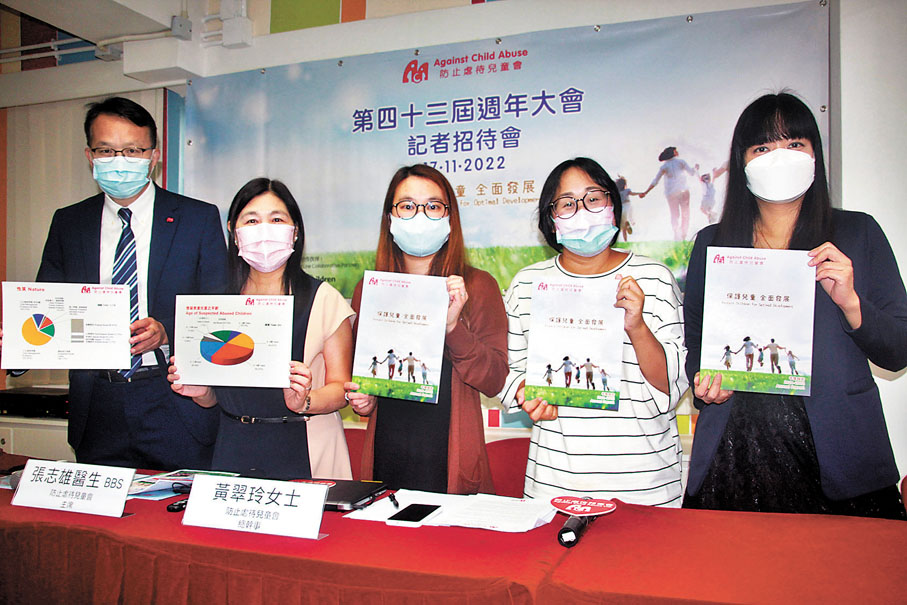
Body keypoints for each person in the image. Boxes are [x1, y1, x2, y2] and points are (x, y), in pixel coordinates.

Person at [683, 92, 907, 519]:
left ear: (814, 155)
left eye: (794, 144)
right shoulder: (712, 243)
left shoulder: (857, 232)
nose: (779, 157)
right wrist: (706, 382)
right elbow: (696, 338)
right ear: (742, 161)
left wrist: (852, 303)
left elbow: (899, 350)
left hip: (839, 454)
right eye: (763, 148)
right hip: (734, 454)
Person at [11, 97, 228, 470]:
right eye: (106, 150)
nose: (119, 160)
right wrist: (19, 344)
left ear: (153, 156)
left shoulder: (197, 219)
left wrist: (166, 331)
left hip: (174, 397)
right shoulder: (69, 223)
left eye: (132, 150)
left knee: (176, 507)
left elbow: (221, 309)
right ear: (90, 155)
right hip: (98, 402)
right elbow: (47, 309)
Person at [499, 157, 688, 507]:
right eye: (567, 203)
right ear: (551, 219)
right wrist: (527, 396)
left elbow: (671, 386)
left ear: (612, 207)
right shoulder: (528, 284)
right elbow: (507, 373)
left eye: (593, 198)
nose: (582, 210)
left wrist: (637, 327)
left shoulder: (654, 278)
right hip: (554, 486)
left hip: (646, 488)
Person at [168, 178, 354, 480]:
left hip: (305, 444)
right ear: (234, 232)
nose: (264, 230)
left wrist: (304, 400)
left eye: (276, 219)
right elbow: (217, 395)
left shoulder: (323, 298)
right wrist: (201, 392)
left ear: (295, 231)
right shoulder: (217, 305)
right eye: (252, 220)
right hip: (234, 446)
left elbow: (341, 388)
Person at [344, 164, 508, 494]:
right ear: (390, 217)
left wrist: (453, 327)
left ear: (450, 218)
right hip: (386, 455)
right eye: (407, 206)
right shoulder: (370, 290)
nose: (420, 215)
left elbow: (494, 380)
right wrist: (364, 400)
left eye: (433, 206)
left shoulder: (477, 286)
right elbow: (368, 381)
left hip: (448, 462)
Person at [639, 146, 699, 241]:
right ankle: (683, 234)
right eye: (676, 151)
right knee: (685, 214)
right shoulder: (681, 162)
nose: (678, 152)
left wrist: (646, 192)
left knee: (674, 215)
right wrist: (695, 168)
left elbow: (655, 181)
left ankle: (677, 235)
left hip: (671, 193)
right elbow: (691, 173)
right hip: (684, 191)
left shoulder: (664, 166)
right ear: (673, 152)